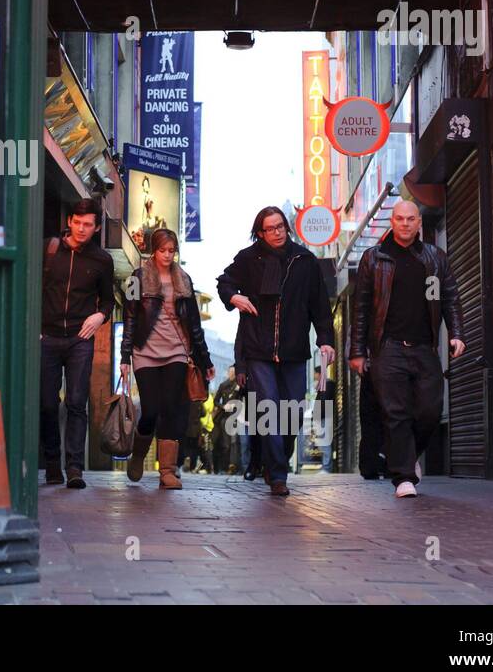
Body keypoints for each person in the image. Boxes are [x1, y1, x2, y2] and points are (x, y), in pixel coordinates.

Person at [349, 200, 465, 499]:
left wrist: (456, 334)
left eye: (410, 219)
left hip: (424, 348)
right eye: (399, 218)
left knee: (430, 409)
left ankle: (407, 454)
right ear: (392, 222)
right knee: (395, 412)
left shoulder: (434, 258)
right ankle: (403, 477)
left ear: (418, 223)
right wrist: (357, 351)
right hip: (387, 349)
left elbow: (450, 297)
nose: (404, 224)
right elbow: (360, 308)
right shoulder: (374, 259)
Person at [217, 206, 335, 496]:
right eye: (270, 228)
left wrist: (325, 340)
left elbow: (320, 305)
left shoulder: (304, 260)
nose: (277, 232)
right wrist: (236, 298)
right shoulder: (248, 259)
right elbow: (225, 282)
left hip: (294, 350)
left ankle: (275, 459)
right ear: (260, 232)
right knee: (269, 407)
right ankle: (278, 475)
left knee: (293, 411)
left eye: (280, 226)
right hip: (259, 348)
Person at [120, 227, 215, 489]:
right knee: (150, 410)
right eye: (162, 250)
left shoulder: (184, 279)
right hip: (145, 352)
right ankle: (138, 453)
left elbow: (194, 324)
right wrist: (125, 355)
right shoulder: (136, 278)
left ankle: (167, 471)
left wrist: (205, 361)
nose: (167, 255)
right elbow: (129, 318)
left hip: (177, 351)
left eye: (172, 251)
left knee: (171, 410)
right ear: (153, 249)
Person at [40, 198, 115, 490]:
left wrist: (100, 316)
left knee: (76, 402)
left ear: (96, 228)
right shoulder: (49, 248)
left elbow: (108, 300)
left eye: (88, 225)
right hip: (46, 336)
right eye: (77, 222)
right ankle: (51, 464)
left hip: (80, 339)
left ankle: (74, 467)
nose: (82, 229)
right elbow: (31, 285)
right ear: (70, 221)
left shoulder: (102, 260)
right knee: (47, 403)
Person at [311, 366, 337, 472]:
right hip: (322, 417)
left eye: (315, 373)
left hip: (324, 417)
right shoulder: (323, 385)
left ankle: (327, 467)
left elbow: (323, 402)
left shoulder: (327, 384)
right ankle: (326, 466)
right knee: (323, 442)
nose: (314, 375)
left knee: (325, 442)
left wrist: (316, 415)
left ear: (319, 374)